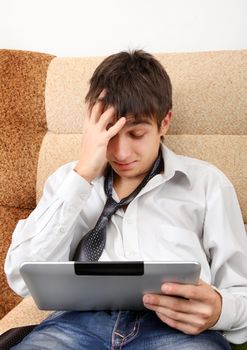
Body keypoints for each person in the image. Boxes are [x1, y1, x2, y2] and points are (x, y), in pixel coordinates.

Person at [4, 50, 247, 349]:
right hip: (75, 325)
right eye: (110, 133)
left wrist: (221, 310)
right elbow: (20, 276)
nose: (120, 153)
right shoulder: (68, 182)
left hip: (175, 329)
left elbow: (241, 288)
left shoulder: (208, 184)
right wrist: (81, 177)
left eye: (136, 134)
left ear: (165, 123)